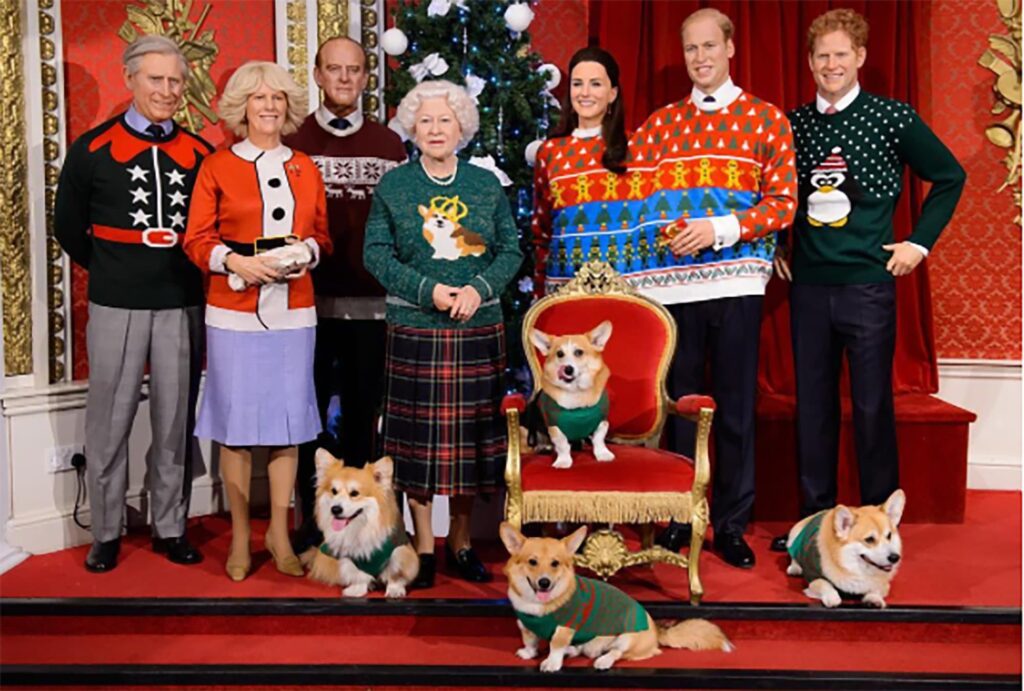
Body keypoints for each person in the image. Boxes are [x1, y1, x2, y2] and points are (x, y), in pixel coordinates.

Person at [770, 9, 965, 551]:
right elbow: (775, 192)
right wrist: (778, 245)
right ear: (810, 62)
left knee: (873, 407)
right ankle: (814, 526)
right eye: (821, 55)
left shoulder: (891, 117)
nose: (830, 64)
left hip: (867, 287)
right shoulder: (793, 124)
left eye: (840, 54)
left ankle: (879, 528)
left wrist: (917, 244)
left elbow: (949, 176)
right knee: (813, 407)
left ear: (859, 57)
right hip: (810, 287)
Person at [629, 8, 797, 568]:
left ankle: (730, 523)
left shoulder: (765, 120)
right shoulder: (659, 126)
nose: (700, 58)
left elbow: (783, 203)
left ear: (730, 48)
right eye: (691, 49)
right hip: (673, 290)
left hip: (737, 282)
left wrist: (719, 229)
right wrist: (664, 235)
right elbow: (634, 200)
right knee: (681, 407)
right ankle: (681, 516)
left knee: (734, 408)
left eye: (708, 46)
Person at [54, 35, 211, 573]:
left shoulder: (200, 153)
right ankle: (105, 531)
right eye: (155, 79)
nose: (166, 90)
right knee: (109, 420)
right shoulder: (91, 149)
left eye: (175, 81)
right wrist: (112, 269)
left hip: (181, 301)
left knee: (174, 420)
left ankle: (170, 525)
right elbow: (68, 227)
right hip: (116, 301)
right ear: (129, 79)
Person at [363, 79, 523, 588]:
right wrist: (427, 290)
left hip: (477, 330)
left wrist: (478, 288)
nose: (435, 129)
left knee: (468, 448)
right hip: (416, 329)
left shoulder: (484, 184)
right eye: (426, 120)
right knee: (417, 449)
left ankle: (460, 540)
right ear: (412, 127)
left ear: (462, 127)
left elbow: (511, 251)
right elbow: (375, 254)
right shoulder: (394, 187)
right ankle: (422, 546)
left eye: (445, 120)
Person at [183, 61, 332, 581]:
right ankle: (242, 536)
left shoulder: (305, 166)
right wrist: (235, 262)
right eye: (258, 97)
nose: (269, 106)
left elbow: (322, 235)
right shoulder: (217, 166)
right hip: (234, 313)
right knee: (237, 429)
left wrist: (305, 252)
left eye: (277, 98)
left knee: (289, 427)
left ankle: (280, 534)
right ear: (242, 107)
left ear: (288, 107)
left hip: (295, 312)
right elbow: (196, 239)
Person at [284, 37, 406, 552]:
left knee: (361, 416)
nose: (344, 78)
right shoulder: (292, 138)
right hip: (304, 306)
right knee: (306, 416)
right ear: (317, 74)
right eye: (334, 69)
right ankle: (312, 522)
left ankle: (361, 529)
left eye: (354, 70)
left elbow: (402, 224)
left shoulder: (388, 143)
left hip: (371, 305)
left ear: (364, 78)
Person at [531, 46, 628, 297]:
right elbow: (541, 232)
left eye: (595, 84)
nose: (585, 93)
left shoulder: (635, 147)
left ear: (612, 93)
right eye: (577, 84)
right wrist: (539, 296)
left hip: (622, 290)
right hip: (564, 289)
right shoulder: (550, 152)